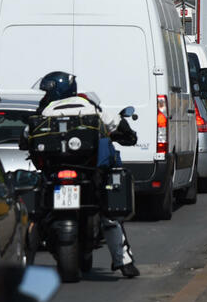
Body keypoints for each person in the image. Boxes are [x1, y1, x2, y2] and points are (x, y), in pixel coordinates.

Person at [33, 71, 140, 278]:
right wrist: (128, 135)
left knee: (37, 212)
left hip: (55, 174)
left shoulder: (46, 111)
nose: (45, 95)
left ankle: (25, 258)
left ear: (56, 91)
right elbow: (116, 124)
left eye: (48, 91)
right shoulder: (90, 106)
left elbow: (29, 136)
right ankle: (123, 261)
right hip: (89, 173)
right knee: (109, 214)